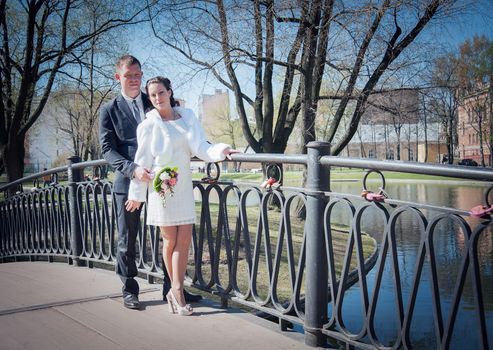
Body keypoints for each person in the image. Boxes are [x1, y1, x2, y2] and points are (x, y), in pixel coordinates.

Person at [126, 76, 237, 315]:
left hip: (183, 184)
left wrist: (223, 149)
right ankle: (176, 290)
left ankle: (175, 289)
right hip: (162, 187)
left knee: (185, 238)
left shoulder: (187, 117)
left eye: (161, 93)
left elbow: (201, 147)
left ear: (169, 92)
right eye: (153, 95)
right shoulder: (148, 125)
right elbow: (142, 162)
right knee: (170, 240)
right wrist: (136, 194)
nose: (157, 98)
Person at [99, 56, 202, 310]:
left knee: (170, 236)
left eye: (137, 75)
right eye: (128, 76)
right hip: (128, 183)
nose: (134, 80)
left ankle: (174, 288)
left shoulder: (155, 100)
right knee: (127, 238)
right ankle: (130, 289)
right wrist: (132, 169)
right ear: (118, 78)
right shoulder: (109, 109)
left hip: (162, 184)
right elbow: (107, 149)